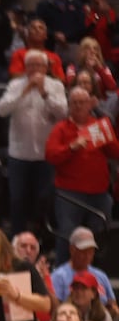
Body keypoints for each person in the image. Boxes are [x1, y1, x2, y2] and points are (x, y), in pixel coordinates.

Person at [0, 49, 67, 236]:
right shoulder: (15, 85)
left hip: (45, 155)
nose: (35, 69)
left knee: (42, 200)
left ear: (45, 68)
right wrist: (24, 91)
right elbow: (1, 109)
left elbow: (63, 114)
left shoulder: (56, 86)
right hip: (19, 154)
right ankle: (17, 239)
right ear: (25, 67)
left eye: (39, 65)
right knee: (18, 200)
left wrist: (44, 92)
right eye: (31, 65)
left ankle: (39, 239)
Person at [44, 87, 119, 261]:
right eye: (74, 103)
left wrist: (108, 132)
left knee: (99, 237)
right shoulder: (61, 128)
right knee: (67, 236)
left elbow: (115, 153)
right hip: (70, 194)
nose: (78, 106)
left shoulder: (97, 126)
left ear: (89, 104)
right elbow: (50, 155)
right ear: (69, 105)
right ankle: (62, 272)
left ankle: (96, 274)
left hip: (99, 194)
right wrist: (71, 147)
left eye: (82, 102)